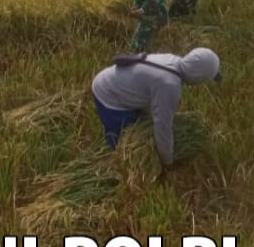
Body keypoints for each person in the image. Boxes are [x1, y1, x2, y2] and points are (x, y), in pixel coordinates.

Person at [90, 48, 222, 167]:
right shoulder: (169, 85)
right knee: (123, 140)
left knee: (138, 124)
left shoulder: (173, 60)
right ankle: (113, 164)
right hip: (109, 94)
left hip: (116, 80)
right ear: (198, 77)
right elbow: (162, 127)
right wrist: (167, 161)